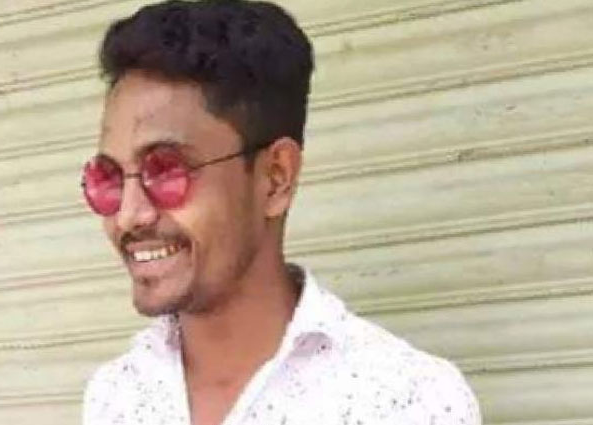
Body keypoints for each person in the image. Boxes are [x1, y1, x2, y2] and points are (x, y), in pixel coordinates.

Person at [80, 1, 481, 424]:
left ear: (275, 178)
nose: (128, 215)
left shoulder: (405, 399)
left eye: (165, 171)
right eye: (108, 178)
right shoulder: (116, 395)